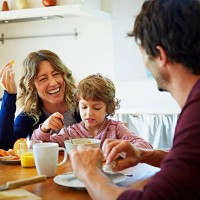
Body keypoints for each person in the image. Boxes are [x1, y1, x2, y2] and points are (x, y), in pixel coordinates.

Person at [68, 0, 200, 199]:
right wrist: (144, 154)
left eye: (143, 53)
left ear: (160, 56)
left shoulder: (196, 114)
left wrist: (89, 172)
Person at [32, 73, 152, 149]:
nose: (89, 113)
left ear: (108, 107)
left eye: (96, 108)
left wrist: (123, 148)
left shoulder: (116, 128)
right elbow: (37, 146)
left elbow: (145, 146)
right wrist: (44, 129)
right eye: (84, 107)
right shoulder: (71, 133)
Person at [0, 50, 81, 150]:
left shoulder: (83, 105)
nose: (53, 83)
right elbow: (4, 147)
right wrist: (10, 95)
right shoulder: (29, 116)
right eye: (43, 79)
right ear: (32, 86)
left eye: (56, 74)